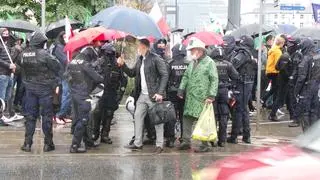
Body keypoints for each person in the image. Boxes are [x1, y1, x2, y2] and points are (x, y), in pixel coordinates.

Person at [118, 38, 169, 154]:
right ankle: (137, 143)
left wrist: (160, 93)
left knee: (158, 120)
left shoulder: (156, 59)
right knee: (137, 116)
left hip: (154, 95)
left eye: (138, 46)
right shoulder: (140, 59)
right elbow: (132, 73)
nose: (137, 48)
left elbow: (164, 75)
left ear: (144, 47)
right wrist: (123, 65)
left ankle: (159, 145)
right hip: (142, 95)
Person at [18, 31, 61, 152]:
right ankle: (48, 143)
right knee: (47, 116)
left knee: (30, 117)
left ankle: (27, 143)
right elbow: (57, 66)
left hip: (30, 89)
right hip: (44, 90)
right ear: (41, 42)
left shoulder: (24, 54)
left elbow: (19, 67)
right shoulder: (44, 54)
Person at [177, 37, 218, 153]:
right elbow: (186, 76)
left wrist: (211, 95)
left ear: (200, 50)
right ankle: (186, 141)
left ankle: (205, 144)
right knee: (187, 118)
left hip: (202, 98)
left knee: (203, 120)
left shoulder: (209, 63)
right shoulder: (193, 62)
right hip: (191, 97)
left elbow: (214, 79)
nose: (190, 52)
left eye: (192, 50)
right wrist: (181, 89)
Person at [67, 43, 104, 153]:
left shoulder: (72, 62)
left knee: (78, 118)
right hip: (83, 95)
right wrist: (96, 67)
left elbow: (67, 76)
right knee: (83, 120)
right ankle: (75, 145)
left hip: (74, 94)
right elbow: (98, 78)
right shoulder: (86, 64)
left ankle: (85, 142)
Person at [92, 43, 127, 144]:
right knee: (97, 113)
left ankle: (105, 135)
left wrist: (120, 94)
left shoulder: (117, 65)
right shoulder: (97, 63)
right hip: (99, 93)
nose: (108, 56)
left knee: (109, 114)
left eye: (110, 54)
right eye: (106, 53)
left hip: (112, 93)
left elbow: (124, 80)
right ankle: (95, 133)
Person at [227, 35, 257, 144]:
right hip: (247, 84)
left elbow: (233, 65)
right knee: (244, 110)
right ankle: (246, 135)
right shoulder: (250, 53)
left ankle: (234, 136)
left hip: (241, 84)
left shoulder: (243, 53)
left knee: (238, 110)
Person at [208, 46, 239, 147]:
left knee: (213, 116)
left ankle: (212, 139)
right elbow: (236, 76)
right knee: (224, 115)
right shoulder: (228, 64)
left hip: (212, 91)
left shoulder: (210, 64)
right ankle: (222, 140)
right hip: (224, 91)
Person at [294, 38, 319, 132]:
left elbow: (301, 77)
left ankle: (308, 134)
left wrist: (296, 92)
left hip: (308, 87)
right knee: (315, 111)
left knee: (305, 111)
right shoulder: (317, 56)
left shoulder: (306, 58)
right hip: (317, 88)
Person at [167, 43, 189, 146]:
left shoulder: (170, 63)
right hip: (185, 93)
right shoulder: (189, 63)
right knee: (184, 116)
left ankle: (171, 139)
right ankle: (184, 138)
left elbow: (166, 78)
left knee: (172, 116)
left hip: (172, 93)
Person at [262, 35, 286, 121]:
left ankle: (266, 100)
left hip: (269, 71)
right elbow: (278, 64)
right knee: (277, 89)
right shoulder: (278, 51)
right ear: (282, 43)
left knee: (275, 88)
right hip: (275, 72)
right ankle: (266, 99)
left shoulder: (273, 49)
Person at [51, 31, 72, 125]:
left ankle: (64, 115)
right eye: (64, 37)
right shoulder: (59, 47)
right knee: (65, 95)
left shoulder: (64, 47)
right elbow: (65, 60)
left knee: (66, 95)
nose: (66, 39)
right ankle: (59, 115)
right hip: (62, 74)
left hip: (65, 74)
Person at [0, 28, 17, 123]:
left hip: (8, 74)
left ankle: (4, 114)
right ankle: (0, 116)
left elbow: (8, 58)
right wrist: (8, 65)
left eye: (7, 33)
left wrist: (12, 67)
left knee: (8, 96)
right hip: (2, 74)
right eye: (4, 33)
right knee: (1, 97)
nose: (6, 35)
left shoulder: (5, 45)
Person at [288, 38, 303, 127]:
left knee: (293, 98)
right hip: (294, 78)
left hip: (295, 79)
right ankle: (295, 116)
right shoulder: (295, 53)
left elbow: (296, 67)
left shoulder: (297, 54)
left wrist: (292, 77)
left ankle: (295, 117)